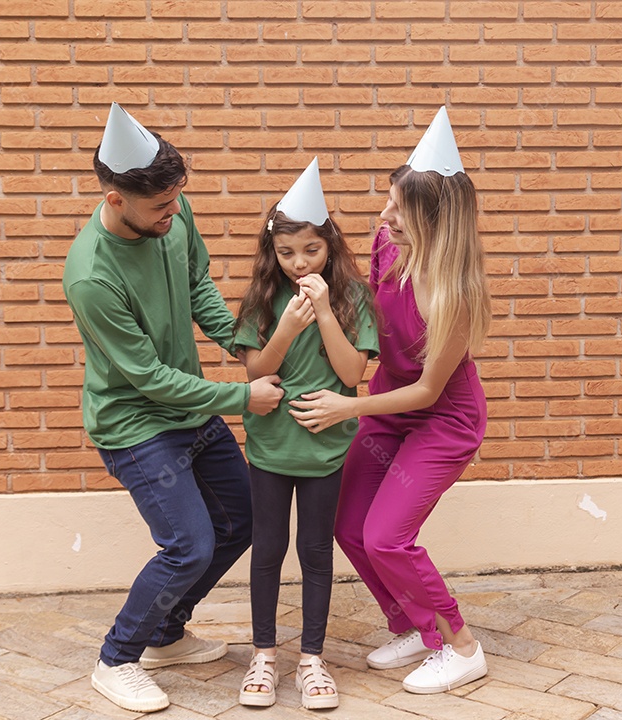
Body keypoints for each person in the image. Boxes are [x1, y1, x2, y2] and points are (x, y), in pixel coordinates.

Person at [63, 103, 284, 714]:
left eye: (175, 200)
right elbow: (151, 380)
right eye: (159, 206)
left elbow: (197, 284)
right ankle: (117, 658)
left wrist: (241, 343)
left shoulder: (171, 210)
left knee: (241, 521)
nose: (172, 212)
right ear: (114, 199)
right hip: (136, 425)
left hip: (190, 408)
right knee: (187, 542)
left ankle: (166, 633)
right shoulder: (91, 276)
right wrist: (244, 396)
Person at [288, 107, 493, 694]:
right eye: (389, 201)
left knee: (387, 537)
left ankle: (460, 645)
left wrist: (344, 406)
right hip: (386, 408)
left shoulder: (455, 291)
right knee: (349, 527)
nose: (384, 216)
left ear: (435, 219)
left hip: (441, 422)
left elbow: (430, 389)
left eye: (399, 208)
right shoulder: (386, 245)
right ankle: (413, 623)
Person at [232, 159, 379, 710]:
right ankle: (265, 656)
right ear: (273, 251)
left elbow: (350, 375)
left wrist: (321, 313)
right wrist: (288, 325)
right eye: (287, 252)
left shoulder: (354, 299)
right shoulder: (260, 301)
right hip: (271, 446)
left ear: (330, 246)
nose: (298, 263)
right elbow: (255, 373)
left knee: (315, 550)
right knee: (267, 548)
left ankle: (312, 661)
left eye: (311, 251)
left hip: (326, 447)